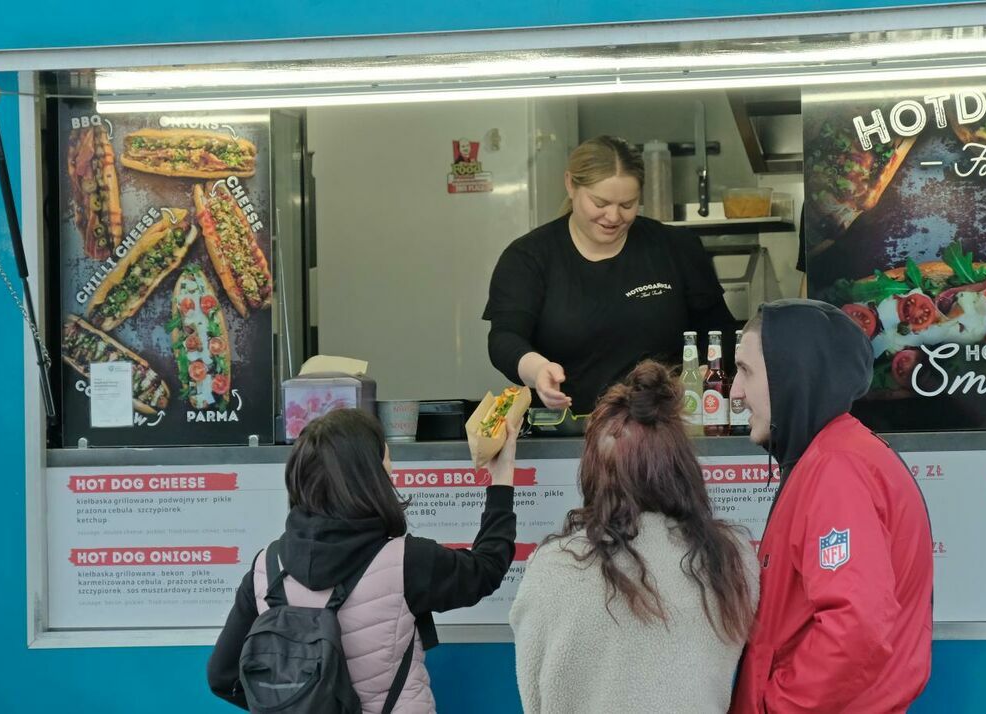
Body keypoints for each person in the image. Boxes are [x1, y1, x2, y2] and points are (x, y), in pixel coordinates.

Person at [207, 408, 520, 712]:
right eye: (385, 457)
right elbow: (486, 569)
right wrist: (502, 477)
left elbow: (222, 676)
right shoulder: (406, 560)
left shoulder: (266, 567)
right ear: (370, 475)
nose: (391, 467)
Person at [510, 361, 758, 714]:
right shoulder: (731, 558)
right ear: (680, 465)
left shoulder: (552, 568)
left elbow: (534, 699)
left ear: (591, 472)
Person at [728, 300, 933, 713]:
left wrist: (778, 705)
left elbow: (856, 625)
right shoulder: (829, 457)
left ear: (793, 375)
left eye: (746, 370)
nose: (734, 392)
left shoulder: (837, 468)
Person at [484, 135, 737, 414]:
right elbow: (504, 338)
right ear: (570, 184)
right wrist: (537, 369)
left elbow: (720, 332)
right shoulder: (529, 258)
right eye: (600, 203)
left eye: (627, 205)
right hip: (572, 431)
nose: (614, 217)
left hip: (667, 427)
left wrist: (701, 374)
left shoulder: (675, 247)